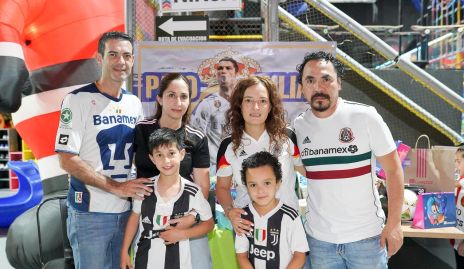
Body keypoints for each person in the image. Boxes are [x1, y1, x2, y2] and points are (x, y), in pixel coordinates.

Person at [294, 51, 404, 268]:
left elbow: (394, 171)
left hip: (367, 240)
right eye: (310, 80)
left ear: (339, 83)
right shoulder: (298, 125)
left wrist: (394, 224)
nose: (318, 87)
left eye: (326, 79)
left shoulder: (365, 117)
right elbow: (310, 173)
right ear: (302, 88)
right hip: (320, 242)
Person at [54, 31, 152, 269]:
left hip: (127, 213)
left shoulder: (134, 103)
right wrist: (116, 187)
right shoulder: (77, 100)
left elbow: (140, 155)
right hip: (90, 214)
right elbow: (67, 159)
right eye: (113, 54)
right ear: (99, 58)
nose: (121, 61)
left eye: (127, 56)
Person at [133, 73, 212, 268]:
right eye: (171, 95)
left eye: (184, 96)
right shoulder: (142, 130)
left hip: (184, 221)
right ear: (159, 99)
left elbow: (203, 184)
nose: (178, 102)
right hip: (148, 220)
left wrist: (192, 217)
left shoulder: (196, 138)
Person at [215, 75, 306, 236]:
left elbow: (307, 174)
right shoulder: (228, 145)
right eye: (248, 100)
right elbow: (222, 187)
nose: (255, 107)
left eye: (262, 101)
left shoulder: (288, 137)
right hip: (248, 229)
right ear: (239, 105)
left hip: (288, 227)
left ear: (271, 106)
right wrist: (230, 211)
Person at [121, 128, 214, 269]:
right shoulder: (145, 188)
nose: (166, 161)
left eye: (171, 153)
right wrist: (124, 251)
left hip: (179, 263)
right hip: (145, 260)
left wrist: (182, 234)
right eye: (159, 155)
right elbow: (134, 218)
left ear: (181, 154)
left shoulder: (193, 191)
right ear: (152, 158)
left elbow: (209, 224)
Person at [235, 151, 309, 269]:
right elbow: (241, 255)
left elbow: (300, 255)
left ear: (278, 183)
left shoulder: (290, 216)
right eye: (253, 185)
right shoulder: (244, 216)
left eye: (267, 183)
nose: (260, 190)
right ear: (246, 187)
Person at [190, 57, 239, 170]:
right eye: (220, 68)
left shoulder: (244, 103)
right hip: (214, 166)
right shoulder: (206, 104)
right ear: (216, 74)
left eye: (228, 68)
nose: (223, 71)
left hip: (239, 163)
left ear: (236, 74)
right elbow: (194, 138)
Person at [453, 146, 464, 267]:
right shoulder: (459, 184)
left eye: (459, 161)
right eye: (455, 161)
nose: (456, 165)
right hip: (458, 240)